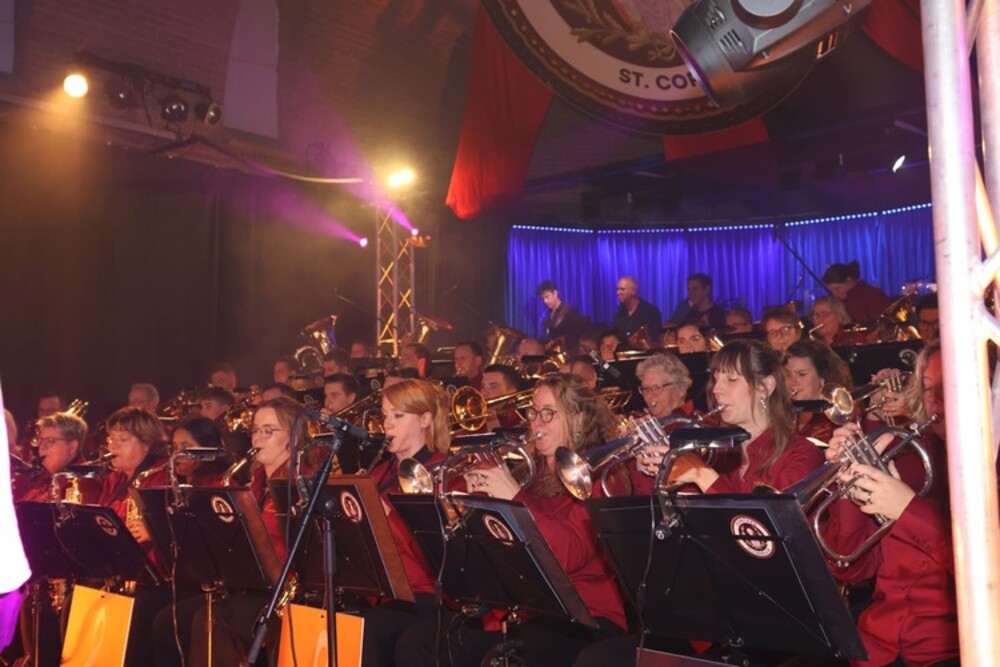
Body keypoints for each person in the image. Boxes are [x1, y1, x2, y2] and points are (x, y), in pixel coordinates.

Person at [398, 375, 626, 666]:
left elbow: (566, 556)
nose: (536, 423)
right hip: (525, 610)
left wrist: (514, 496)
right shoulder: (529, 474)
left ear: (578, 419)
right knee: (420, 644)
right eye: (533, 412)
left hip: (585, 614)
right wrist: (467, 508)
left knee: (524, 647)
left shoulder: (601, 476)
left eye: (548, 413)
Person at [822, 341, 960, 666]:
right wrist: (849, 474)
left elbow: (985, 568)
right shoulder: (908, 453)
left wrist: (907, 510)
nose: (935, 400)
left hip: (952, 649)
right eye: (927, 388)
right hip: (878, 647)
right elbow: (851, 565)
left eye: (947, 386)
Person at [178, 397, 306, 667]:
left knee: (214, 618)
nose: (257, 438)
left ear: (293, 438)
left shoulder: (300, 485)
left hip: (284, 592)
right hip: (251, 586)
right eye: (255, 430)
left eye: (268, 431)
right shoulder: (253, 484)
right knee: (185, 616)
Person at [360, 379, 453, 667]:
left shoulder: (445, 472)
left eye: (398, 415)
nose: (387, 424)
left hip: (424, 594)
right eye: (385, 415)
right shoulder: (380, 471)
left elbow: (434, 553)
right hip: (381, 590)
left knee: (371, 631)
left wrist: (384, 516)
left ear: (425, 419)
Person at [782, 340, 853, 443]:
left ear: (822, 377)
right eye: (788, 375)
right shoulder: (785, 413)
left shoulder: (841, 413)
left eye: (802, 374)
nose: (792, 383)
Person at [823, 261, 893, 324]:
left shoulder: (872, 296)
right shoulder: (839, 301)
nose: (834, 294)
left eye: (837, 289)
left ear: (848, 281)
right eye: (831, 291)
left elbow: (886, 324)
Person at [170, 415, 231, 486]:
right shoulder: (169, 481)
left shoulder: (222, 484)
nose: (176, 453)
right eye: (175, 447)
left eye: (186, 447)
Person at [611, 275, 662, 345]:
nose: (618, 292)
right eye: (617, 289)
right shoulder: (618, 314)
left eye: (622, 289)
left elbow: (655, 337)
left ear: (634, 291)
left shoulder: (650, 312)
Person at [537, 280, 587, 348]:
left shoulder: (570, 312)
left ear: (555, 293)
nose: (545, 301)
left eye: (547, 297)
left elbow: (575, 336)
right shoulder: (546, 315)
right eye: (542, 298)